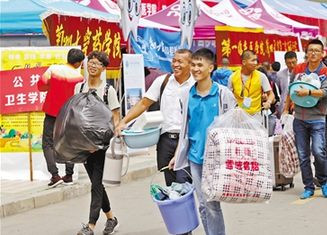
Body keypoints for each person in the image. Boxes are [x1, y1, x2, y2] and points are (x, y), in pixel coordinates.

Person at [169, 48, 237, 235]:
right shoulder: (187, 95)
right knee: (203, 204)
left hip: (217, 158)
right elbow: (185, 130)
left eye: (200, 65)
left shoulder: (223, 94)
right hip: (195, 157)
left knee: (212, 204)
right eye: (193, 64)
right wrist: (177, 155)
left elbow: (234, 124)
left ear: (210, 67)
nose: (195, 68)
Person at [118, 49, 195, 187]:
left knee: (184, 182)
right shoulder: (163, 81)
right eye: (174, 60)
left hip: (188, 140)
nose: (175, 64)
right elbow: (143, 104)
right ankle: (174, 208)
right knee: (170, 184)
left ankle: (184, 207)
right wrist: (123, 121)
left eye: (180, 61)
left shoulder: (196, 84)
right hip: (165, 140)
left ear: (190, 64)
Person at [75, 51, 121, 235]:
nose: (92, 66)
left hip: (101, 145)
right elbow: (75, 116)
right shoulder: (79, 88)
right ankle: (111, 218)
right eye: (90, 62)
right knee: (98, 184)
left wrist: (101, 143)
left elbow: (115, 118)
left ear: (103, 68)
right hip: (85, 145)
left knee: (95, 183)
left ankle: (91, 225)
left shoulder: (108, 90)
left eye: (97, 63)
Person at [282, 39, 327, 199]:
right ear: (306, 52)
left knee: (319, 152)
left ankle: (323, 182)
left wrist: (310, 93)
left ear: (322, 54)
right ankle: (308, 187)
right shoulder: (298, 70)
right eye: (310, 50)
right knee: (303, 155)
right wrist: (285, 109)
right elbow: (291, 89)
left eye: (316, 51)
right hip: (299, 118)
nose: (313, 53)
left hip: (318, 118)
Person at [37, 48, 85, 187]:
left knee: (47, 143)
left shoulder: (54, 69)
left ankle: (54, 175)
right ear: (78, 63)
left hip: (52, 112)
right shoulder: (79, 78)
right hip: (69, 115)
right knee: (69, 143)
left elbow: (41, 86)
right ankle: (68, 175)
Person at [227, 50, 275, 123]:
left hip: (255, 117)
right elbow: (228, 97)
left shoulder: (261, 76)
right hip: (237, 117)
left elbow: (271, 94)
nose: (255, 63)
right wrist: (233, 108)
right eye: (252, 60)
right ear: (244, 62)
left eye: (256, 60)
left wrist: (268, 102)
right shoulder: (233, 77)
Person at [276, 51, 298, 119]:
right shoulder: (280, 75)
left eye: (293, 62)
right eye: (289, 63)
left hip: (297, 106)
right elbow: (278, 91)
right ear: (285, 62)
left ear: (297, 61)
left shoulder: (301, 73)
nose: (292, 65)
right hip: (284, 106)